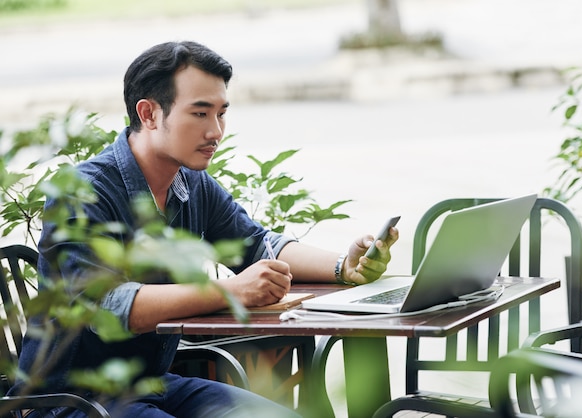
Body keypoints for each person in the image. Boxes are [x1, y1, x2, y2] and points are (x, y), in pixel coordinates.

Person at [12, 41, 399, 417]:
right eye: (200, 114)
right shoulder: (82, 191)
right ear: (148, 114)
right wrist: (232, 291)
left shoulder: (190, 181)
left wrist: (342, 268)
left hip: (153, 385)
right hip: (68, 402)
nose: (215, 131)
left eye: (221, 113)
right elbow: (111, 307)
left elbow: (258, 243)